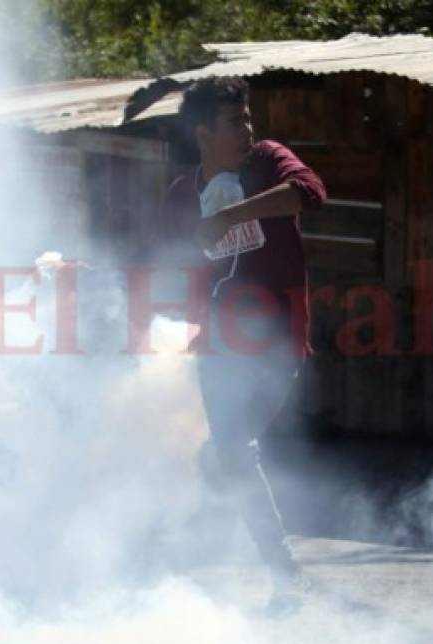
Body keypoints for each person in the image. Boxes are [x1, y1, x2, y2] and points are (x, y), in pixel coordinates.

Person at [161, 76, 326, 592]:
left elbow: (310, 193)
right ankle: (281, 573)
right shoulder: (181, 197)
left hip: (279, 339)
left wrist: (232, 214)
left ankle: (212, 528)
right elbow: (171, 266)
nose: (247, 129)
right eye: (235, 122)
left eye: (248, 118)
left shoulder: (269, 161)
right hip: (219, 344)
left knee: (225, 454)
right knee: (233, 450)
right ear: (203, 132)